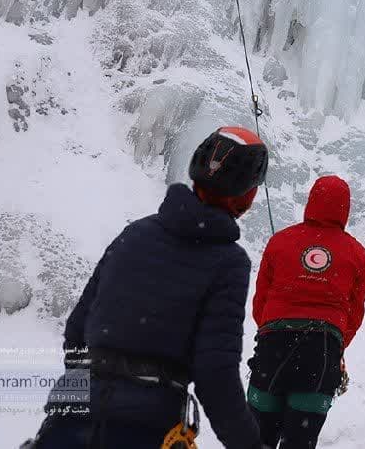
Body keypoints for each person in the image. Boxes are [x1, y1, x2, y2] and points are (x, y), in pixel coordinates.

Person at [29, 126, 268, 449]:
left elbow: (76, 330)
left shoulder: (134, 235)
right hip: (145, 428)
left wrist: (95, 394)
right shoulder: (228, 262)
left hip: (67, 424)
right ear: (247, 195)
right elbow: (215, 374)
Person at [247, 175, 365, 449]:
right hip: (322, 351)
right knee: (299, 442)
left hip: (273, 348)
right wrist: (336, 342)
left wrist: (271, 329)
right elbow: (355, 312)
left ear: (311, 200)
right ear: (345, 209)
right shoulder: (357, 253)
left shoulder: (280, 241)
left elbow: (261, 302)